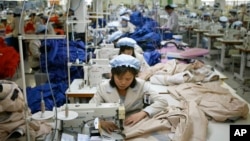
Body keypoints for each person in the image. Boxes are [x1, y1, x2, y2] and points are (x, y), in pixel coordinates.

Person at [89, 54, 168, 133]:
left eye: (128, 79)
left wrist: (144, 113)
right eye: (119, 78)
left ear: (134, 76)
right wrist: (101, 122)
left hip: (135, 123)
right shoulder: (103, 88)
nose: (123, 82)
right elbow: (90, 109)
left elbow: (162, 101)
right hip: (110, 124)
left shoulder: (141, 85)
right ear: (112, 75)